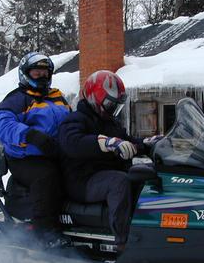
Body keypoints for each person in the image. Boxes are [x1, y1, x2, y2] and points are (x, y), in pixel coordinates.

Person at [58, 70, 162, 249]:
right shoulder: (75, 120)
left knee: (144, 175)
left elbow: (125, 141)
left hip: (101, 175)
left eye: (116, 105)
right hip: (82, 180)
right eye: (109, 104)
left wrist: (145, 143)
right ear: (94, 97)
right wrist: (104, 143)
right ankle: (123, 242)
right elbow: (72, 143)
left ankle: (149, 229)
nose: (113, 109)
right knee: (119, 182)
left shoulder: (109, 123)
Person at [0, 52, 71, 248]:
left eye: (45, 73)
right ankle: (44, 232)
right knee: (47, 176)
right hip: (25, 157)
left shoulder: (57, 97)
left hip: (55, 152)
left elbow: (72, 120)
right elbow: (1, 124)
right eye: (36, 73)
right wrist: (31, 135)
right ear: (26, 74)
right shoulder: (17, 99)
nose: (42, 77)